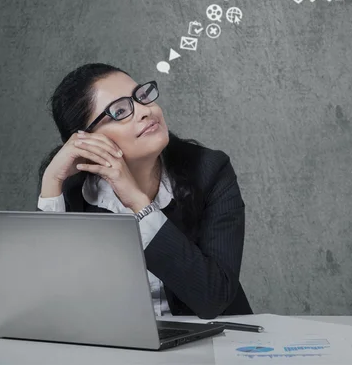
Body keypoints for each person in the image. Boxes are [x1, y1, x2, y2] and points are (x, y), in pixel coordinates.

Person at [37, 63, 252, 320]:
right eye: (119, 111)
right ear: (86, 140)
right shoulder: (73, 189)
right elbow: (51, 305)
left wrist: (139, 204)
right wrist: (51, 182)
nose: (144, 111)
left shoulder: (210, 171)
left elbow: (213, 299)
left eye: (141, 96)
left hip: (215, 342)